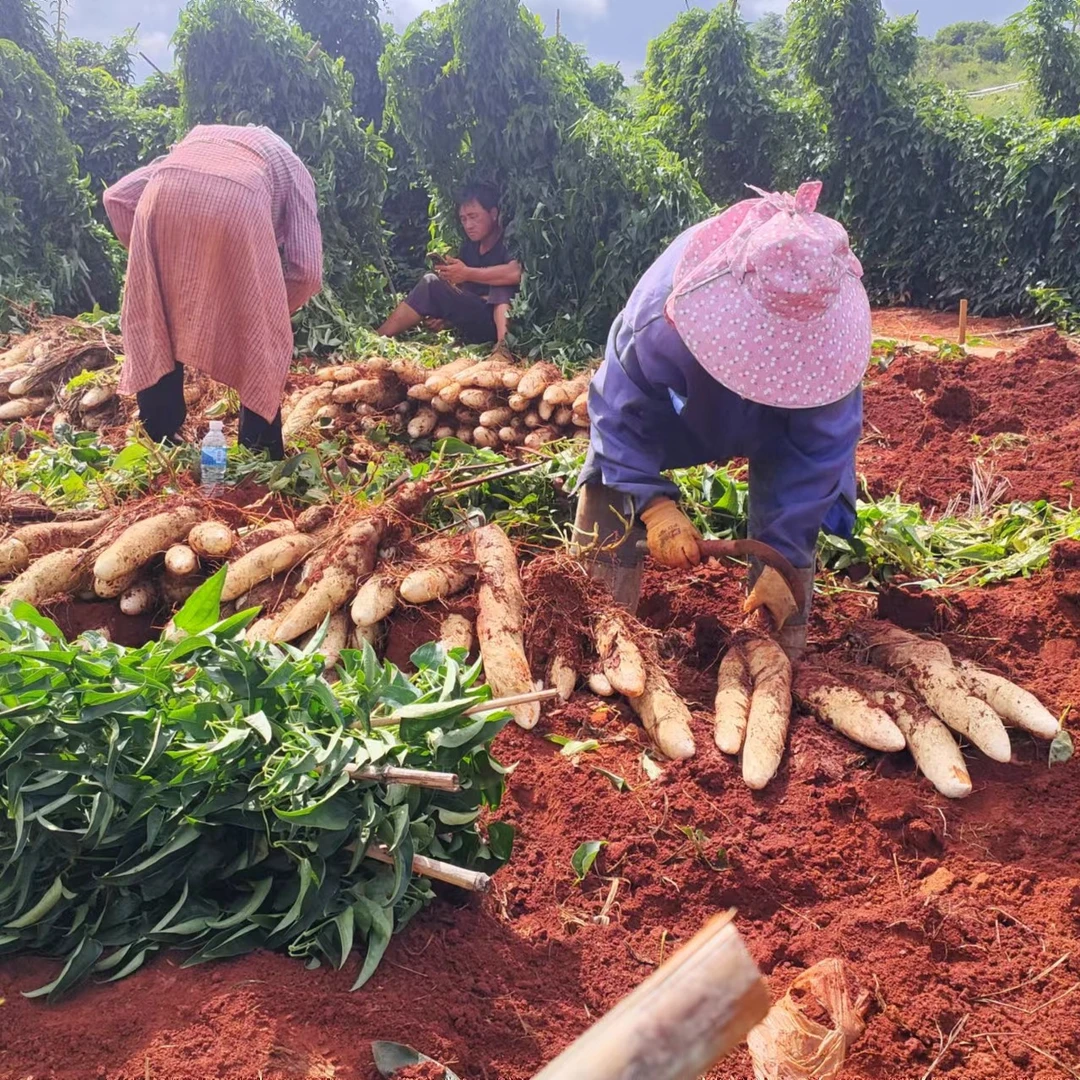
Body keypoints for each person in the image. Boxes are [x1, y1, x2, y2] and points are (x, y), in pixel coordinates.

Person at [573, 181, 870, 661]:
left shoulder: (831, 353)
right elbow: (616, 409)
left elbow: (820, 454)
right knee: (610, 486)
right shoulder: (662, 316)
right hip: (678, 411)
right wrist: (652, 505)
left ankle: (772, 657)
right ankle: (593, 633)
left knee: (788, 557)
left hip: (779, 431)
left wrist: (786, 557)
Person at [103, 124, 323, 461]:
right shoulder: (294, 168)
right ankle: (257, 456)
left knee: (156, 316)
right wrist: (269, 315)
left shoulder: (197, 140)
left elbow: (116, 198)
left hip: (163, 190)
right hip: (240, 203)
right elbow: (307, 271)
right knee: (259, 339)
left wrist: (159, 272)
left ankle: (162, 443)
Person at [378, 183, 521, 347]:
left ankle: (504, 349)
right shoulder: (469, 248)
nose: (468, 225)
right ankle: (378, 338)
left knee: (501, 285)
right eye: (463, 219)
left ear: (493, 214)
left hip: (509, 323)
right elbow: (469, 294)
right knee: (431, 282)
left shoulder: (508, 241)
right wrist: (447, 317)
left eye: (474, 217)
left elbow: (515, 273)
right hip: (478, 321)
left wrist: (467, 273)